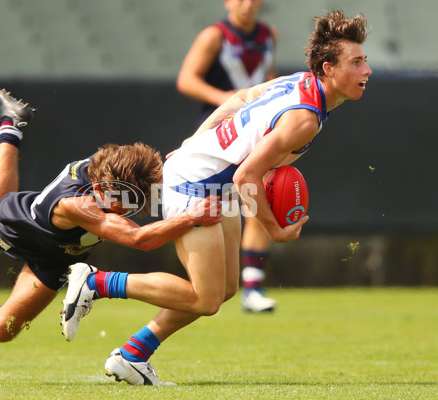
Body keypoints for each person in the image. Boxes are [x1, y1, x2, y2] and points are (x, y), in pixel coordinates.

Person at [63, 9, 372, 385]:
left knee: (224, 289)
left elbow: (240, 98)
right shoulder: (304, 118)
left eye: (364, 61)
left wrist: (195, 141)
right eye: (355, 63)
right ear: (328, 68)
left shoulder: (301, 82)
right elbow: (247, 176)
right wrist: (274, 230)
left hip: (209, 182)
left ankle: (132, 356)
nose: (366, 71)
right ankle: (96, 283)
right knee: (204, 298)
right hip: (195, 187)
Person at [0, 89, 222, 368]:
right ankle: (12, 125)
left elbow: (157, 180)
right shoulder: (77, 204)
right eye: (119, 203)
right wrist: (191, 217)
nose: (126, 209)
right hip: (21, 230)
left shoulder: (125, 173)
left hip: (57, 260)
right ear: (98, 188)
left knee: (4, 331)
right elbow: (138, 238)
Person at [176, 0, 279, 312]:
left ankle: (252, 285)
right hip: (221, 135)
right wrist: (229, 101)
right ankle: (207, 276)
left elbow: (270, 80)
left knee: (262, 194)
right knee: (224, 207)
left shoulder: (268, 35)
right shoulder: (215, 36)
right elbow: (187, 79)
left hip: (259, 132)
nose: (246, 4)